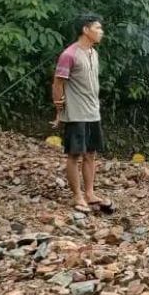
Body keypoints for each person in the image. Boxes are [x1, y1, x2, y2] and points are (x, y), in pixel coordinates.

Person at [51, 13, 110, 214]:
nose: (101, 32)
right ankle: (77, 195)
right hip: (76, 113)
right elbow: (58, 83)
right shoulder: (69, 54)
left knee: (91, 154)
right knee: (74, 155)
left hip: (93, 112)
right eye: (98, 28)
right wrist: (59, 108)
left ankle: (90, 192)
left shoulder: (94, 53)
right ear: (85, 30)